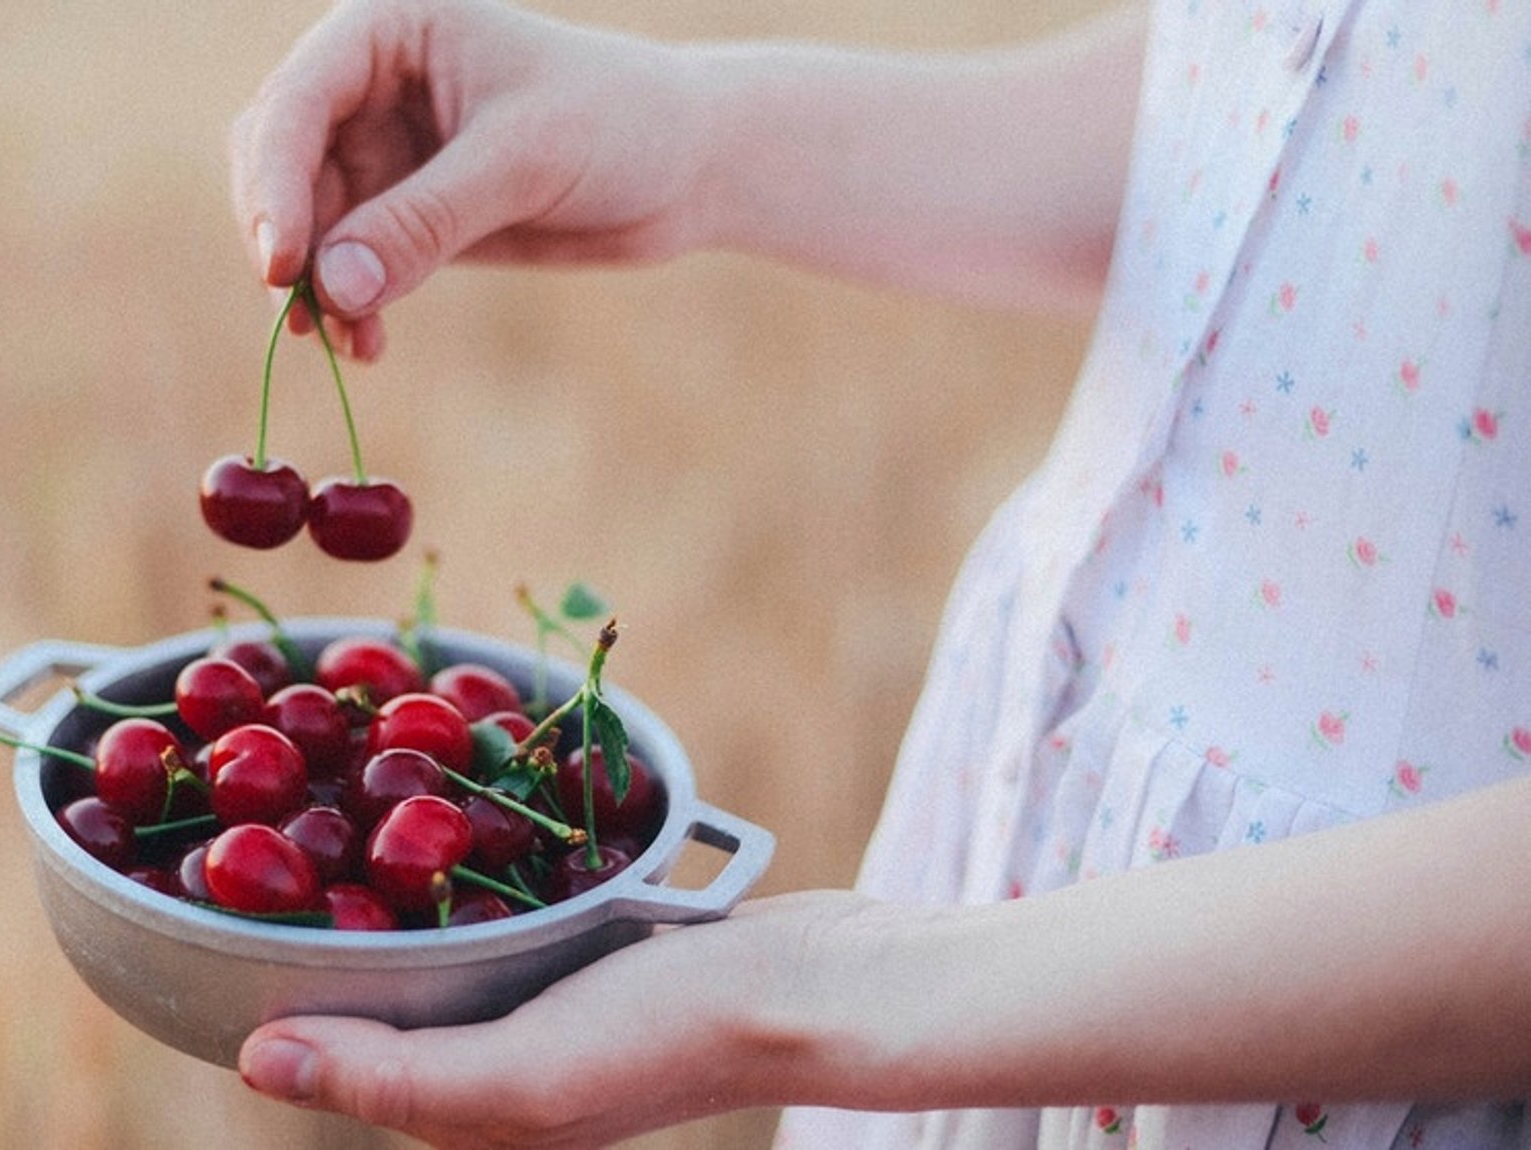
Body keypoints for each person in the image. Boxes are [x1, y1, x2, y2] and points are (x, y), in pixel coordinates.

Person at [226, 1, 1531, 1147]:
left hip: (1334, 1038)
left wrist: (826, 998)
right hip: (1022, 896)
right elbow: (1301, 87)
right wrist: (694, 137)